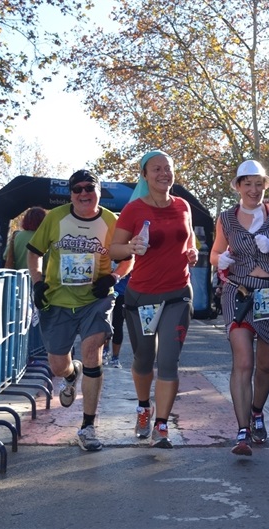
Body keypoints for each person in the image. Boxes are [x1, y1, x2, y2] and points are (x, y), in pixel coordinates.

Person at [27, 169, 132, 451]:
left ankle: (88, 427)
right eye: (78, 189)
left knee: (92, 352)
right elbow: (34, 252)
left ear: (99, 191)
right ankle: (72, 373)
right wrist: (38, 282)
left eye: (89, 188)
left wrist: (113, 278)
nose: (84, 193)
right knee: (57, 366)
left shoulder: (112, 221)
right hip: (58, 300)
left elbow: (128, 257)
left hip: (95, 300)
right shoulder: (55, 217)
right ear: (71, 194)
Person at [210, 159, 269, 456]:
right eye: (247, 184)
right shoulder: (226, 218)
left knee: (266, 363)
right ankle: (242, 431)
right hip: (238, 290)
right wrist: (220, 259)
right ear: (238, 187)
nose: (254, 189)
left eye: (259, 183)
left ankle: (257, 411)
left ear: (265, 185)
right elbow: (215, 252)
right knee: (243, 361)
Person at [109, 150, 198, 449]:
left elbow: (189, 239)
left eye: (168, 168)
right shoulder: (133, 210)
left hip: (177, 294)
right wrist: (130, 247)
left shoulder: (183, 205)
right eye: (156, 169)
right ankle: (143, 407)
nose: (163, 173)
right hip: (143, 296)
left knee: (169, 361)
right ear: (145, 175)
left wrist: (192, 252)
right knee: (144, 359)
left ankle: (161, 425)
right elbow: (114, 250)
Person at [103, 269, 129, 368]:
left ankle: (115, 357)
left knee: (118, 324)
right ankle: (105, 350)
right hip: (106, 292)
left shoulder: (128, 259)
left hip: (122, 293)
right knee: (104, 323)